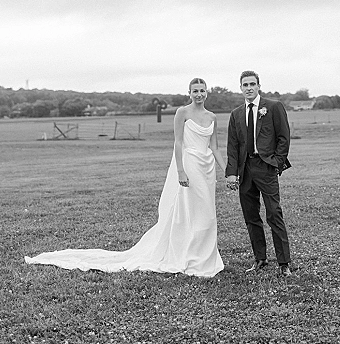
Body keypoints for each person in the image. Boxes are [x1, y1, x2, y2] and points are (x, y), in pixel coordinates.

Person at [24, 79, 225, 277]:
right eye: (195, 90)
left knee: (206, 212)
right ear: (189, 92)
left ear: (207, 92)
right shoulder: (183, 112)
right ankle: (187, 254)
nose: (199, 94)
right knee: (189, 210)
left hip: (206, 169)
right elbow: (178, 143)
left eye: (202, 90)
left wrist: (227, 169)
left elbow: (214, 146)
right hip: (189, 164)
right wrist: (180, 170)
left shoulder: (212, 117)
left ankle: (205, 254)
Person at [225, 70, 292, 276]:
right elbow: (233, 146)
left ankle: (284, 263)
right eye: (245, 85)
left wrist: (277, 162)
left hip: (266, 167)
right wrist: (231, 173)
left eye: (252, 84)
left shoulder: (273, 107)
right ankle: (260, 258)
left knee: (274, 213)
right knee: (251, 216)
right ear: (241, 88)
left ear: (259, 86)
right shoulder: (236, 114)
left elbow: (283, 137)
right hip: (245, 170)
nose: (249, 88)